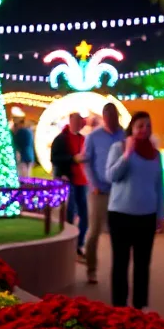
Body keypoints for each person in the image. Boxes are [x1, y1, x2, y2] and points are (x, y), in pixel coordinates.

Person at [106, 111, 164, 309]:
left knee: (143, 264)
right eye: (140, 125)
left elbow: (159, 186)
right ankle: (119, 307)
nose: (144, 129)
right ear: (131, 128)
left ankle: (139, 307)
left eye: (148, 126)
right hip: (120, 215)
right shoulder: (119, 147)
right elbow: (111, 176)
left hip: (146, 216)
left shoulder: (155, 154)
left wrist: (160, 214)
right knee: (120, 263)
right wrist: (127, 154)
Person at [82, 103, 125, 285]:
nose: (112, 121)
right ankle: (91, 269)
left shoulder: (125, 135)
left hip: (120, 190)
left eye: (114, 117)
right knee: (94, 231)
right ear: (104, 118)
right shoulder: (93, 137)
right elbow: (86, 162)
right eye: (109, 117)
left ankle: (119, 271)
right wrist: (93, 184)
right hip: (98, 191)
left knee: (120, 233)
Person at [51, 112, 89, 258]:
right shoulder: (61, 139)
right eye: (76, 121)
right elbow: (55, 158)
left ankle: (78, 244)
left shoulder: (83, 139)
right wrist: (72, 159)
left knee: (84, 214)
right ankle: (69, 243)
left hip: (82, 180)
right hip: (69, 179)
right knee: (70, 211)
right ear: (71, 121)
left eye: (80, 122)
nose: (78, 124)